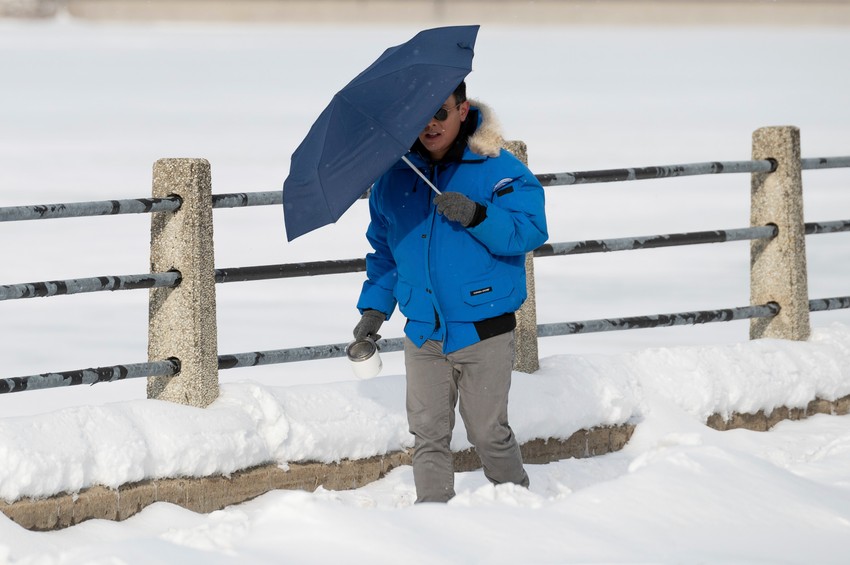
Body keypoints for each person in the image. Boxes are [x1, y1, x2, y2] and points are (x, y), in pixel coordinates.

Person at [352, 81, 548, 503]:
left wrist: (478, 214)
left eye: (440, 112)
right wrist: (374, 312)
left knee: (487, 433)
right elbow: (386, 254)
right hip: (423, 332)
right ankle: (434, 523)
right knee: (428, 435)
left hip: (484, 330)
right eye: (420, 115)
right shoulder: (394, 178)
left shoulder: (497, 168)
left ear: (462, 110)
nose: (430, 124)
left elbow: (529, 231)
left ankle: (519, 507)